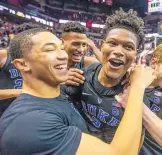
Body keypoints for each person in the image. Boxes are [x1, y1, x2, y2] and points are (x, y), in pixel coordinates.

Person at [0, 27, 153, 155]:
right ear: (22, 64)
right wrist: (138, 87)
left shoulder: (58, 93)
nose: (62, 55)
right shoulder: (32, 122)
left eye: (61, 47)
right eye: (49, 50)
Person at [61, 8, 147, 144]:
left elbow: (136, 142)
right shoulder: (82, 76)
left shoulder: (135, 94)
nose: (118, 51)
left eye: (128, 47)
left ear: (135, 54)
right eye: (112, 43)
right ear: (102, 46)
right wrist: (59, 82)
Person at [0, 23, 40, 116]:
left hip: (26, 115)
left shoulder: (39, 59)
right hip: (3, 115)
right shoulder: (3, 55)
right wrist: (16, 92)